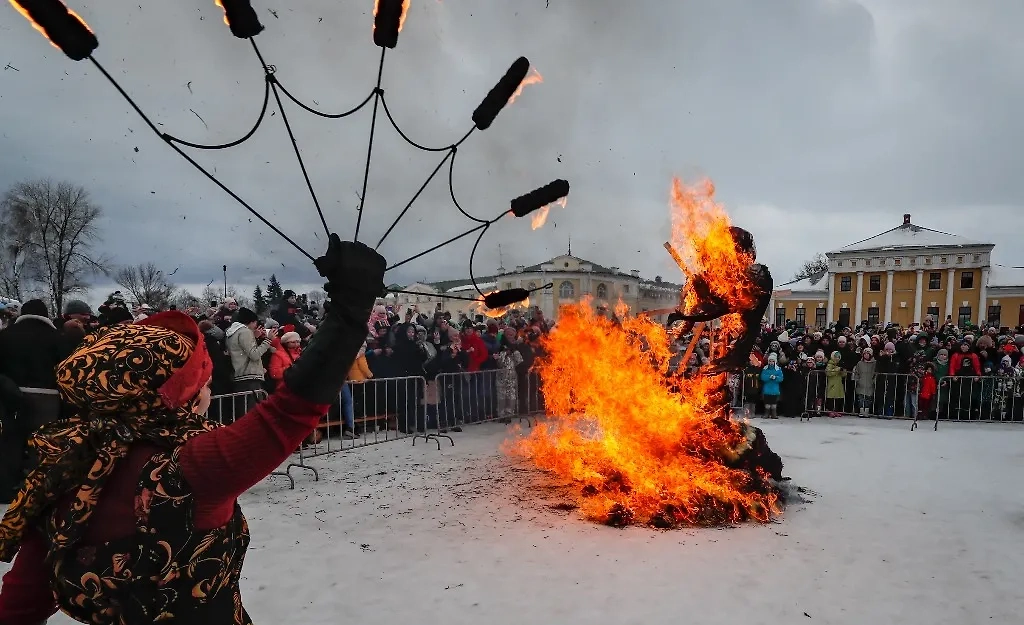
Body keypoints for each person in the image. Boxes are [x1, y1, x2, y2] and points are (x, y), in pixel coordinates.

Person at [0, 234, 385, 624]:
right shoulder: (188, 470)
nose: (208, 390)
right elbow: (288, 414)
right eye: (204, 380)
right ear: (179, 394)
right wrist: (350, 314)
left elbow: (19, 606)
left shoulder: (61, 471)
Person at [666, 226, 773, 373]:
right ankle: (731, 361)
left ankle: (733, 360)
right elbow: (707, 307)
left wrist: (688, 315)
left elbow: (725, 306)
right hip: (740, 341)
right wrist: (686, 320)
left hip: (742, 339)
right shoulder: (721, 279)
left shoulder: (756, 275)